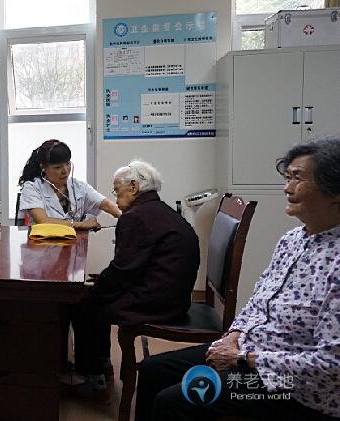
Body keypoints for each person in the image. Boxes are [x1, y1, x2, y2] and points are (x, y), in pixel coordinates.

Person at [135, 136, 340, 421]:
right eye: (287, 177)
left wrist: (242, 359)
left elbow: (331, 366)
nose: (287, 187)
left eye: (298, 178)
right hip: (249, 351)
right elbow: (258, 302)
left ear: (334, 190)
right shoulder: (292, 239)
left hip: (293, 386)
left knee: (175, 402)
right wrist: (232, 338)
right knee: (152, 370)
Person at [70, 159, 200, 397]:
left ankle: (93, 380)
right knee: (94, 296)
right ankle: (102, 366)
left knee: (84, 306)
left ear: (133, 186)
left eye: (116, 191)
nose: (116, 198)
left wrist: (94, 289)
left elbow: (123, 270)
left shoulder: (135, 217)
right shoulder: (160, 211)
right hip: (175, 298)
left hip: (157, 303)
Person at [18, 139, 121, 228]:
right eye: (57, 167)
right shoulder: (32, 188)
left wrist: (127, 217)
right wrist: (82, 225)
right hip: (42, 247)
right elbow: (43, 221)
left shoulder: (78, 186)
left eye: (67, 164)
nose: (65, 171)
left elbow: (107, 205)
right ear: (43, 168)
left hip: (73, 245)